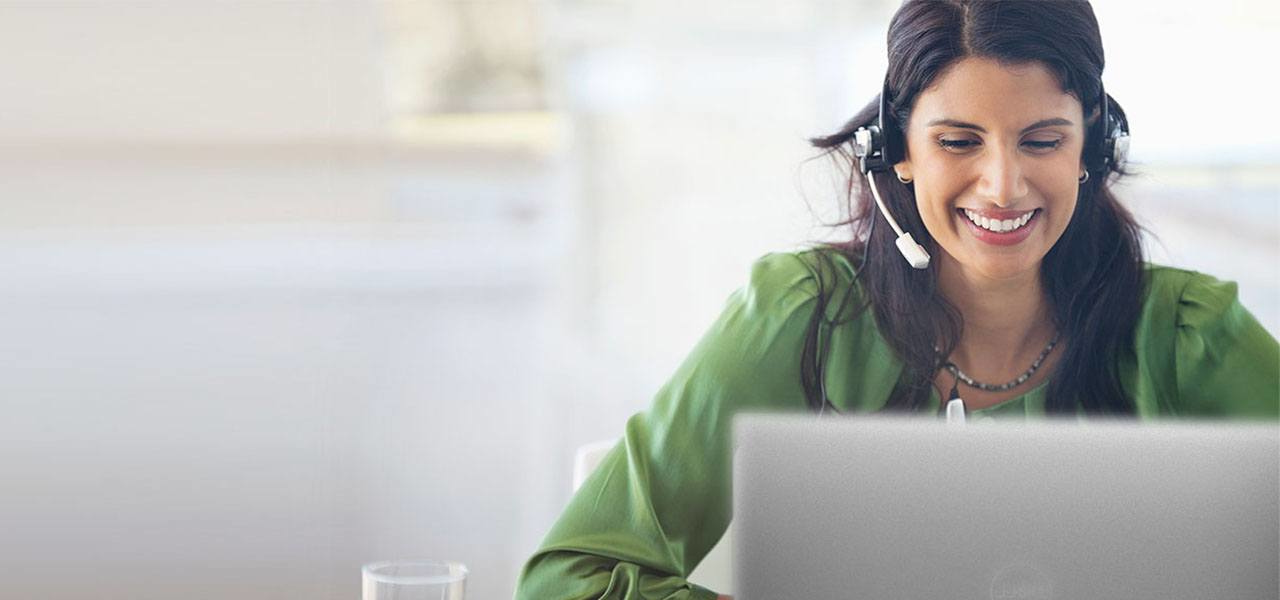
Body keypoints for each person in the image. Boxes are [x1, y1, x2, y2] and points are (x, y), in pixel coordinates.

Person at [515, 1, 1280, 598]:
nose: (1003, 186)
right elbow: (567, 581)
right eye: (959, 141)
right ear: (898, 151)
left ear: (1092, 148)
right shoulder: (803, 316)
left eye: (1042, 141)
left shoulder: (1189, 336)